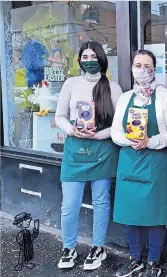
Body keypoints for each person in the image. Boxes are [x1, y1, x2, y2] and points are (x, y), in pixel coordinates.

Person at [55, 41, 123, 270]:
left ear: (101, 59)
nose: (89, 60)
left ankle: (98, 248)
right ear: (79, 61)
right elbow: (60, 116)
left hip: (102, 151)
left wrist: (97, 135)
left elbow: (118, 125)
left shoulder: (113, 88)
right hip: (74, 151)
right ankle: (69, 247)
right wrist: (71, 130)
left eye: (93, 56)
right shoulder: (71, 83)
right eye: (84, 57)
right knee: (69, 205)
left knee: (101, 201)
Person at [111, 50, 167, 277]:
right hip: (129, 162)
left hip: (157, 164)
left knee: (157, 215)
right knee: (130, 213)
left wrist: (150, 141)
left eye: (147, 66)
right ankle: (135, 258)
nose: (142, 70)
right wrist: (129, 140)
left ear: (155, 69)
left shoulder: (166, 97)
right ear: (131, 68)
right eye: (138, 65)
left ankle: (153, 262)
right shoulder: (124, 98)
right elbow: (115, 133)